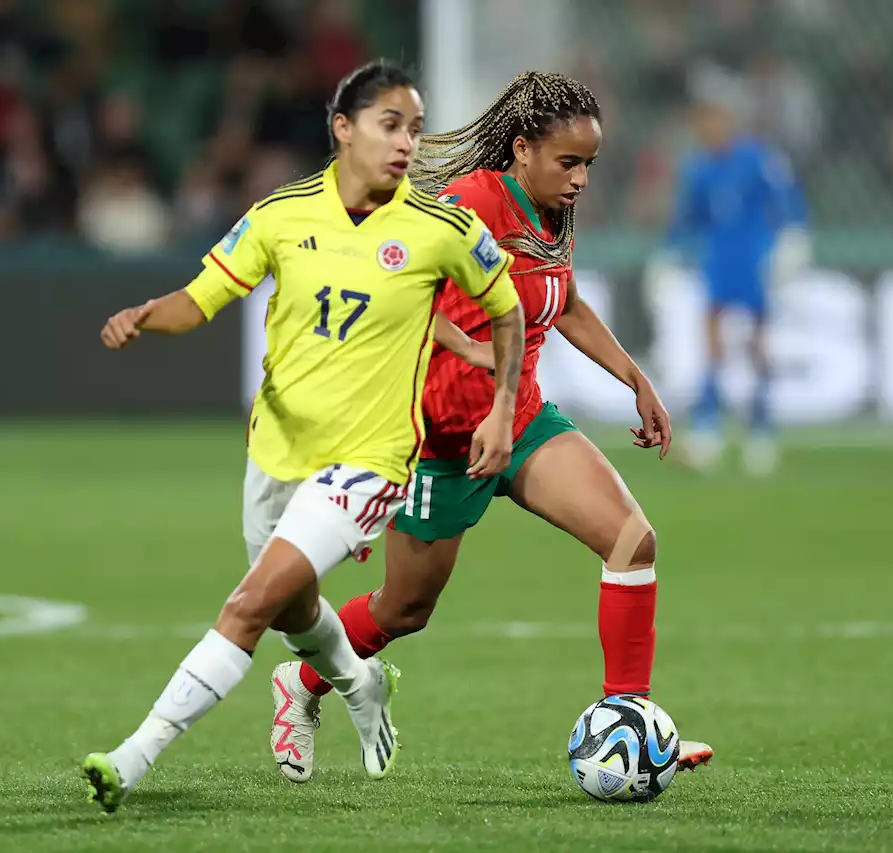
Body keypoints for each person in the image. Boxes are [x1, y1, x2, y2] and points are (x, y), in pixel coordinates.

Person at [81, 60, 526, 812]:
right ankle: (361, 680)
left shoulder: (443, 227)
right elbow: (203, 298)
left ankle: (132, 756)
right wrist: (144, 314)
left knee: (251, 603)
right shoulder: (281, 214)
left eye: (415, 128)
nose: (407, 143)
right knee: (292, 607)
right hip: (277, 449)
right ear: (343, 130)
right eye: (392, 124)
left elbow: (507, 309)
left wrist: (504, 403)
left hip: (371, 461)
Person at [266, 71, 712, 784]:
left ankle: (630, 724)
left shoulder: (550, 216)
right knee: (403, 609)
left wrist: (634, 376)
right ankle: (303, 683)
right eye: (568, 163)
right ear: (522, 148)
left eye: (589, 165)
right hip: (441, 443)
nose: (581, 181)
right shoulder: (467, 207)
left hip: (522, 421)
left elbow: (560, 302)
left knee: (632, 540)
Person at [661, 82, 810, 475]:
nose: (706, 127)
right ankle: (708, 428)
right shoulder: (699, 167)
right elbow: (687, 219)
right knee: (711, 341)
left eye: (712, 118)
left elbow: (787, 203)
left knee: (756, 342)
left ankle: (761, 429)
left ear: (729, 119)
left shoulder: (758, 159)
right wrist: (668, 254)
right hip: (718, 260)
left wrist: (792, 238)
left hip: (754, 259)